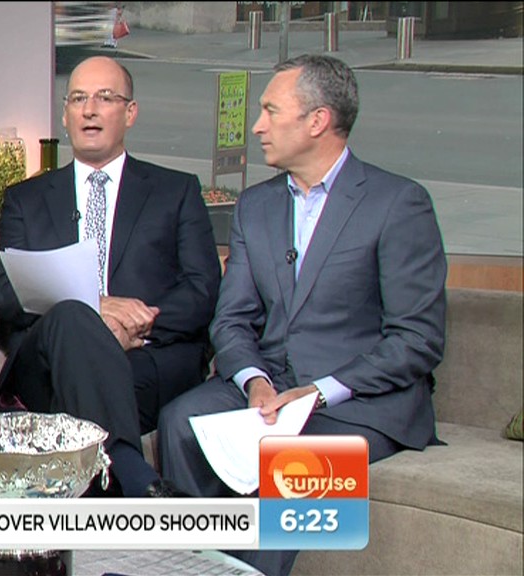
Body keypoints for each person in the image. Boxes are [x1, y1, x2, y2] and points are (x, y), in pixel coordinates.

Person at [157, 54, 447, 576]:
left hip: (359, 402)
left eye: (271, 110)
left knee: (293, 465)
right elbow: (232, 319)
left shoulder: (398, 203)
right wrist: (254, 380)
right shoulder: (256, 206)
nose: (257, 126)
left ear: (317, 121)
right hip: (273, 386)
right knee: (181, 421)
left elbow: (418, 339)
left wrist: (321, 390)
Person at [0, 56, 221, 498]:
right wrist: (94, 310)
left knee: (87, 389)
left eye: (104, 98)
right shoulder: (26, 198)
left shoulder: (176, 191)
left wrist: (133, 323)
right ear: (65, 114)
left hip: (146, 360)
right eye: (78, 99)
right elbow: (3, 294)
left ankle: (115, 485)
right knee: (73, 317)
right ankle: (136, 478)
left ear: (130, 112)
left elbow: (202, 290)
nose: (89, 110)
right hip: (48, 365)